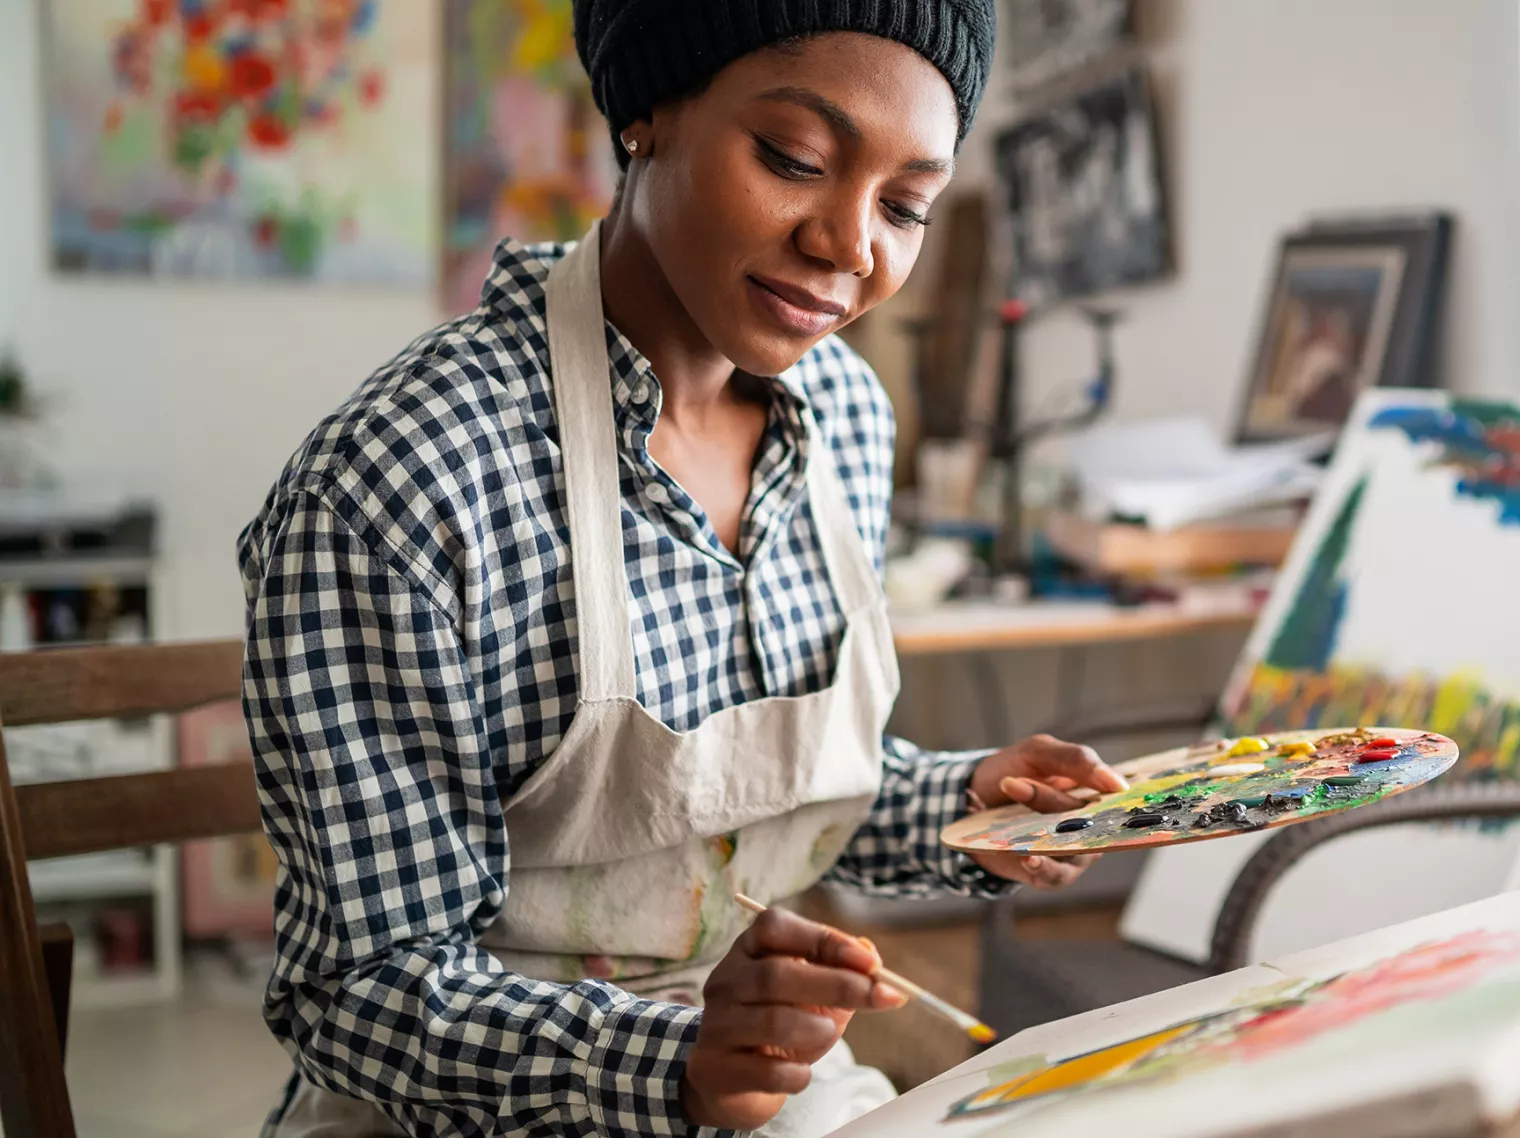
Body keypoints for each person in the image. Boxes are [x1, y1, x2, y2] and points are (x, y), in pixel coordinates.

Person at [235, 3, 1123, 1134]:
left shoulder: (844, 411)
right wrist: (675, 1063)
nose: (852, 246)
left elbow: (756, 807)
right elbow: (355, 989)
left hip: (750, 1074)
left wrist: (971, 804)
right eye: (795, 160)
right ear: (648, 112)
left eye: (905, 206)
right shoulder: (406, 481)